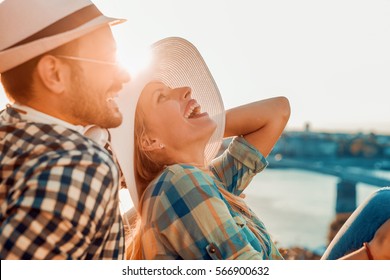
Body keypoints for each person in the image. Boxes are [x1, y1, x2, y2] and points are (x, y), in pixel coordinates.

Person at [112, 37, 390, 260]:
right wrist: (374, 252)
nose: (184, 89)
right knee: (383, 205)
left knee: (382, 202)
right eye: (163, 97)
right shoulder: (180, 184)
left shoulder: (206, 181)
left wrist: (201, 126)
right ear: (149, 142)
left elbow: (277, 111)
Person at [0, 0, 130, 259]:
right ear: (54, 74)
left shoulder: (11, 135)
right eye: (108, 60)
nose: (124, 76)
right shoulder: (81, 164)